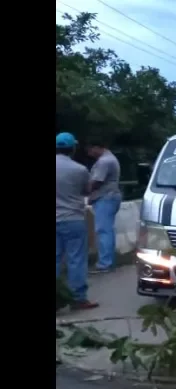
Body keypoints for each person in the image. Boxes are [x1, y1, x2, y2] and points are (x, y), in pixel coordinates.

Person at [56, 132, 99, 310]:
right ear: (72, 148)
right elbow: (87, 190)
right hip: (73, 219)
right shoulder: (79, 169)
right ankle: (78, 298)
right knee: (76, 259)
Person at [86, 139, 123, 274]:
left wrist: (86, 191)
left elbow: (96, 182)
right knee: (108, 230)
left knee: (103, 230)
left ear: (97, 147)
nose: (89, 153)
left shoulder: (104, 161)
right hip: (111, 196)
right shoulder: (110, 158)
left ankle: (104, 264)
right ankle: (109, 261)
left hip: (105, 197)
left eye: (90, 150)